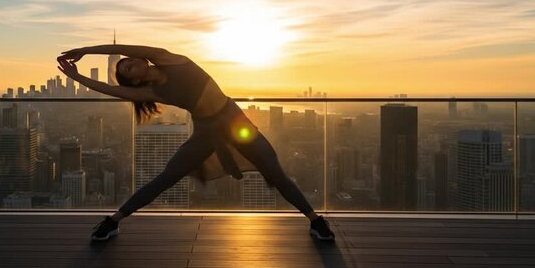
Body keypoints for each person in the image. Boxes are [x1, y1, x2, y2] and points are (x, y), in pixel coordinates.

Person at [56, 44, 335, 241]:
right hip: (205, 132)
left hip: (236, 124)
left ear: (141, 60)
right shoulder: (157, 91)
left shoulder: (171, 59)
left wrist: (86, 50)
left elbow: (132, 47)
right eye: (127, 70)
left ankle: (315, 221)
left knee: (276, 173)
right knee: (166, 178)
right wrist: (76, 77)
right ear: (135, 79)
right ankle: (113, 221)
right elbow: (111, 89)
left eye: (129, 61)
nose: (130, 65)